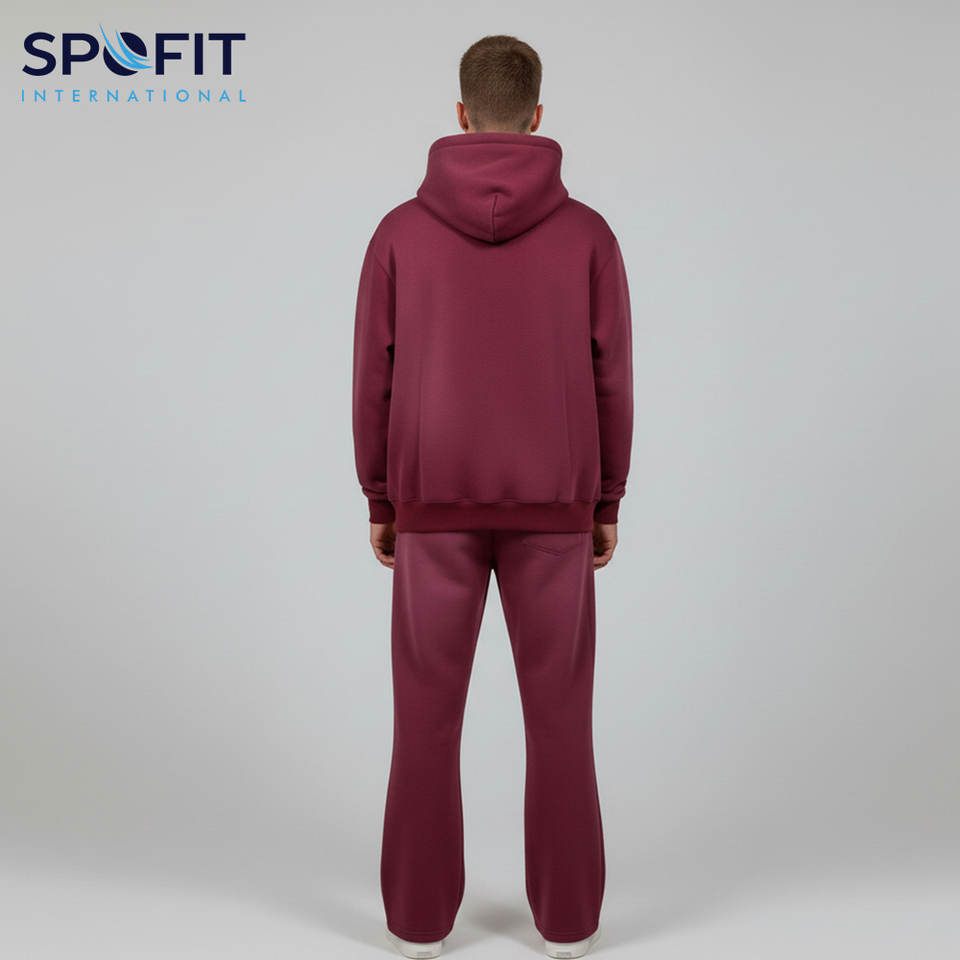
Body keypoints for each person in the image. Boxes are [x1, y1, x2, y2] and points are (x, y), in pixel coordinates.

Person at [352, 34, 633, 960]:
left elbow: (373, 377)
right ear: (537, 116)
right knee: (562, 722)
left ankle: (418, 924)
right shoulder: (588, 235)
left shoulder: (399, 233)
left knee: (424, 722)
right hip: (556, 508)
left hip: (431, 507)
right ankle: (569, 926)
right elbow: (612, 377)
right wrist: (606, 500)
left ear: (462, 114)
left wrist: (381, 498)